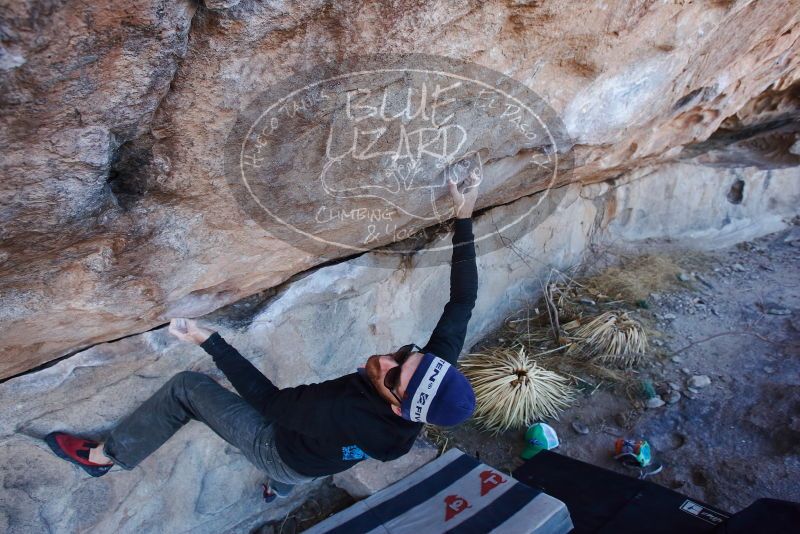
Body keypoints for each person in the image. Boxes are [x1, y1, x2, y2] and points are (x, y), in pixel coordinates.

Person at [45, 165, 481, 501]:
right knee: (325, 451)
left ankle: (103, 458)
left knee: (188, 388)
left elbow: (270, 403)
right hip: (325, 455)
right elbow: (461, 301)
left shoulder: (343, 411)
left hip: (280, 449)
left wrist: (208, 341)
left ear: (402, 406)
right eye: (407, 354)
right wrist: (464, 214)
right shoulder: (426, 385)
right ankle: (282, 488)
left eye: (392, 375)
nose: (388, 359)